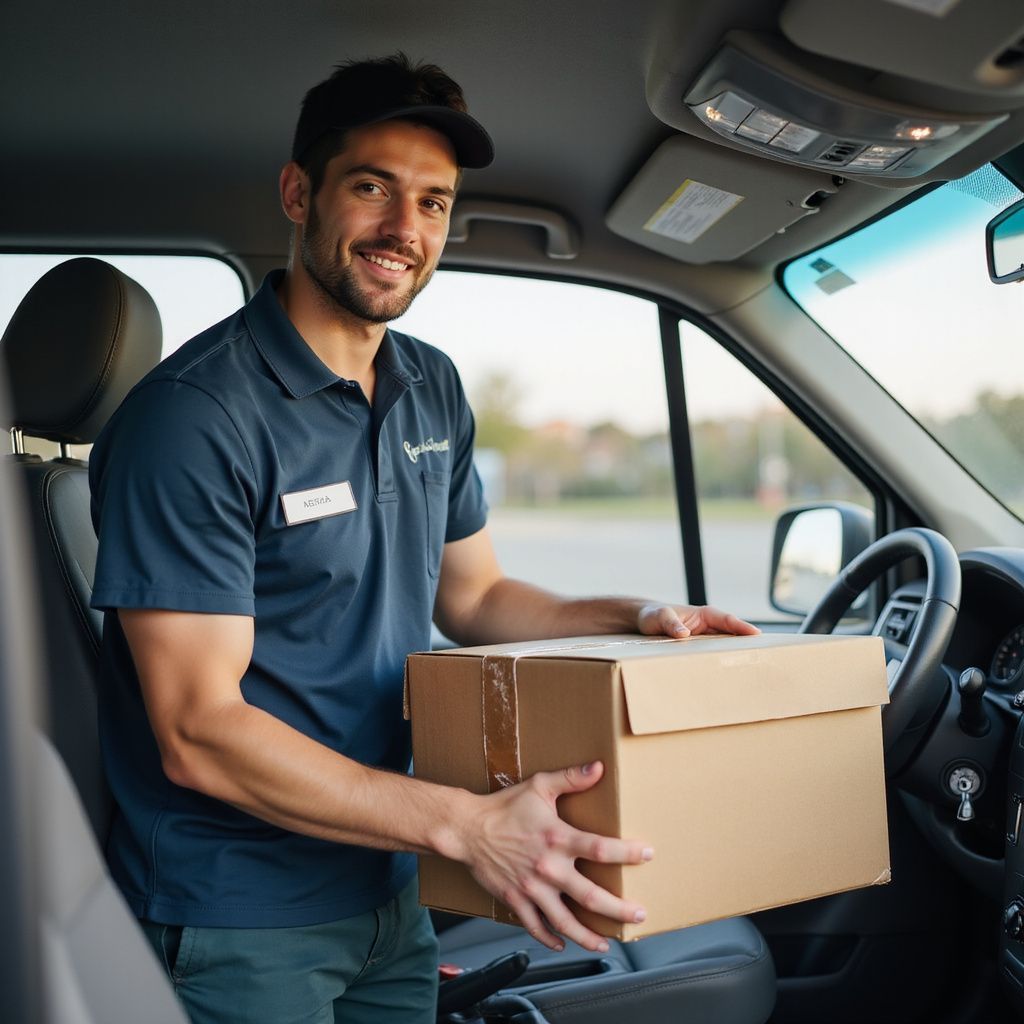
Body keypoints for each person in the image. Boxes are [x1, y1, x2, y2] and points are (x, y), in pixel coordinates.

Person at [89, 53, 759, 1024]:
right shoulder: (195, 419)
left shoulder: (429, 386)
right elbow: (199, 732)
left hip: (389, 883)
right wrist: (469, 826)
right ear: (298, 193)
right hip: (241, 914)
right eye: (373, 188)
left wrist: (640, 614)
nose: (406, 230)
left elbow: (476, 599)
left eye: (436, 203)